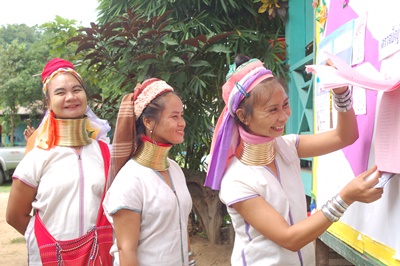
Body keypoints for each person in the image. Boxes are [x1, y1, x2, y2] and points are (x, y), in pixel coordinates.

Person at [204, 55, 384, 265]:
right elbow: (290, 238)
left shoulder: (286, 146)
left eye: (285, 105)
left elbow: (345, 136)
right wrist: (346, 197)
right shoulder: (236, 180)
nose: (283, 116)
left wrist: (341, 91)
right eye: (272, 110)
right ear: (243, 116)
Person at [6, 58, 112, 265]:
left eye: (76, 90)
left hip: (100, 257)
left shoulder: (105, 152)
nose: (70, 97)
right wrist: (47, 240)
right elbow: (15, 216)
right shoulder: (38, 157)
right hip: (51, 257)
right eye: (60, 92)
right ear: (48, 102)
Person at [102, 78, 194, 266]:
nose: (182, 123)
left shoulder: (174, 169)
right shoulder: (130, 180)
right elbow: (126, 251)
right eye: (174, 116)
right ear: (149, 121)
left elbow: (182, 230)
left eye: (182, 115)